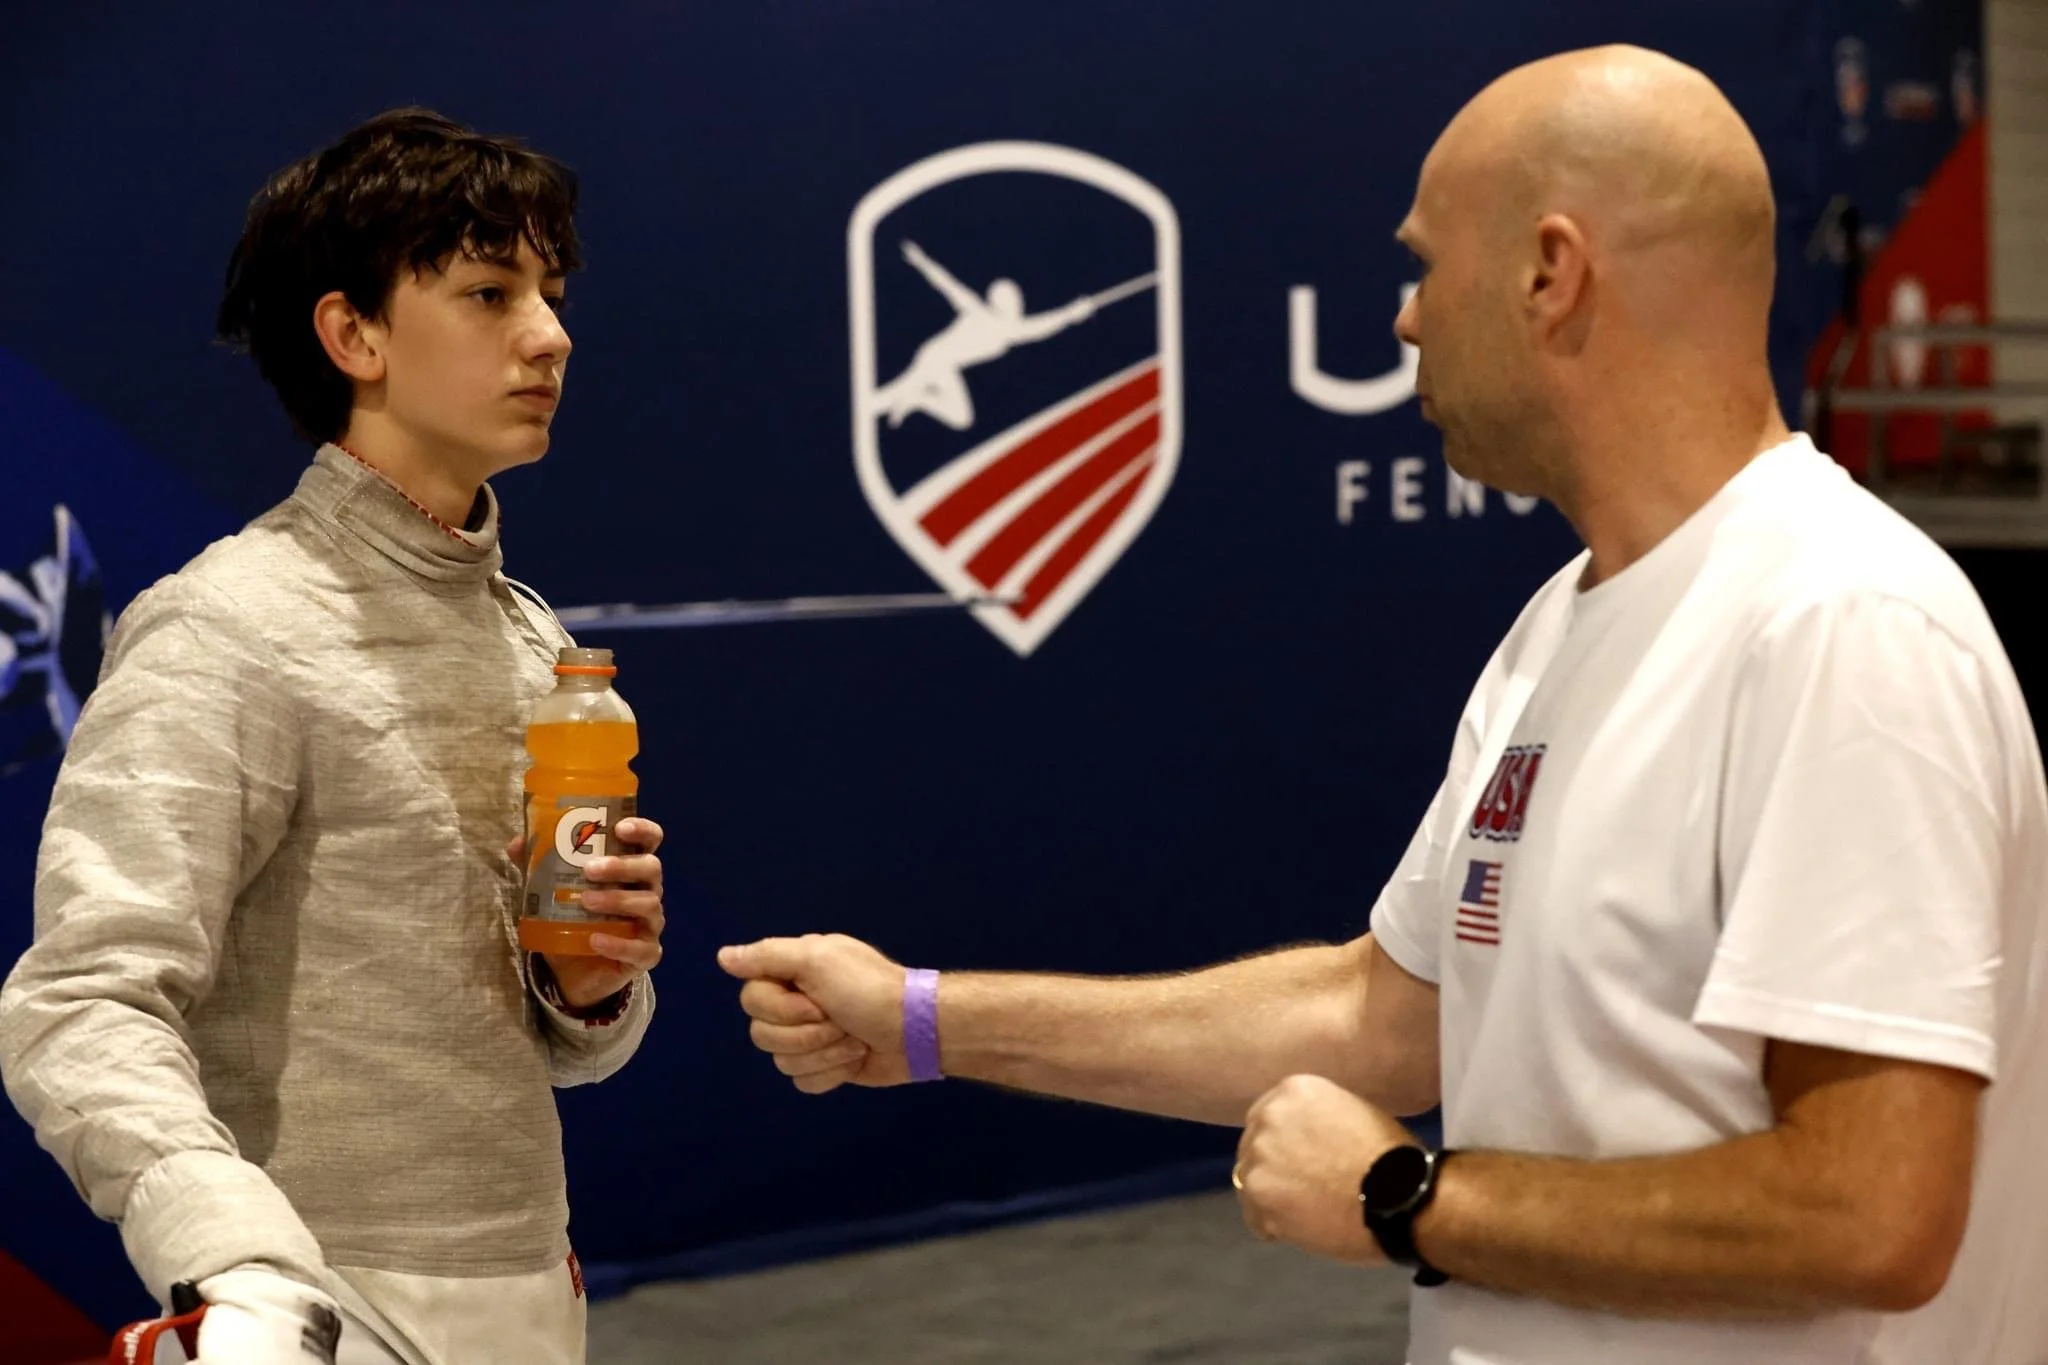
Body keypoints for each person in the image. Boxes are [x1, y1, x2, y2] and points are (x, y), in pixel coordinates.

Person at [719, 45, 2048, 1365]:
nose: (1406, 319)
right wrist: (923, 1019)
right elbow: (1384, 1020)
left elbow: (1869, 1214)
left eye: (1425, 265)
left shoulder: (1842, 628)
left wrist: (1406, 1200)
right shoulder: (1565, 621)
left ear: (1549, 274)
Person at [0, 109, 665, 1365]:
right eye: (490, 293)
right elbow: (81, 1001)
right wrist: (237, 1260)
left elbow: (553, 1042)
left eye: (551, 293)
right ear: (354, 335)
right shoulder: (228, 625)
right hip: (310, 1303)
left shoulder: (534, 644)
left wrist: (585, 986)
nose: (549, 335)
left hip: (529, 1286)